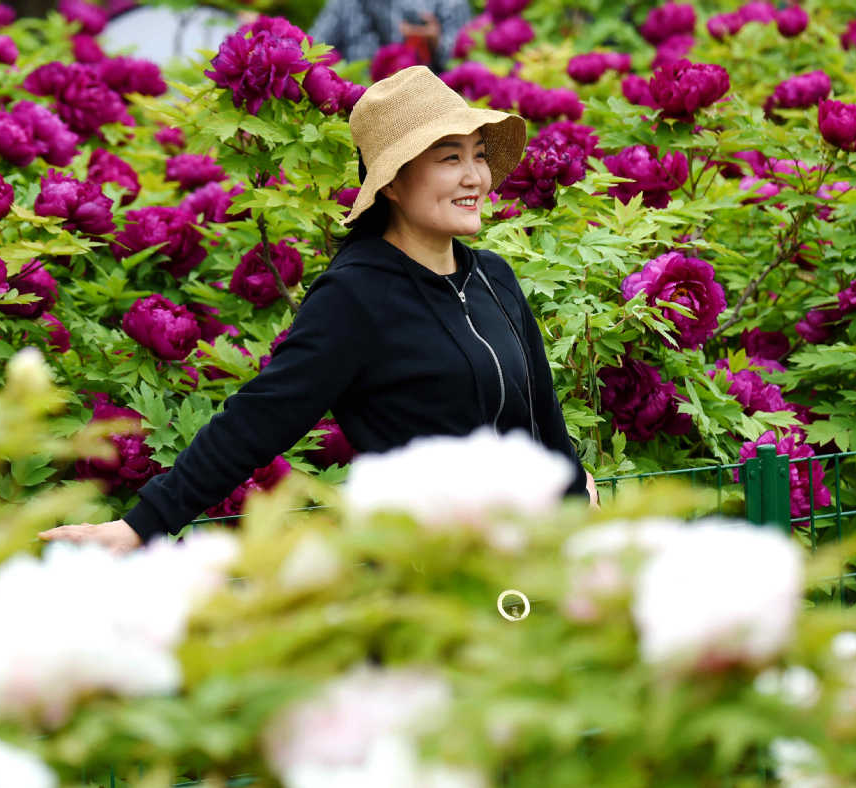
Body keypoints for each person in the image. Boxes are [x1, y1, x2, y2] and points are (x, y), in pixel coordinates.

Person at [40, 65, 596, 553]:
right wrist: (142, 525)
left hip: (534, 552)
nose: (474, 176)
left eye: (478, 156)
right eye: (449, 158)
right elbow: (261, 416)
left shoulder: (491, 276)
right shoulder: (357, 295)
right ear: (393, 183)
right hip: (430, 568)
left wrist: (575, 496)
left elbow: (540, 412)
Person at [308, 0, 471, 69]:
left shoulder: (448, 3)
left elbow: (465, 62)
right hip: (360, 102)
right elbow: (313, 50)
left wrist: (436, 42)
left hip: (422, 103)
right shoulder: (346, 3)